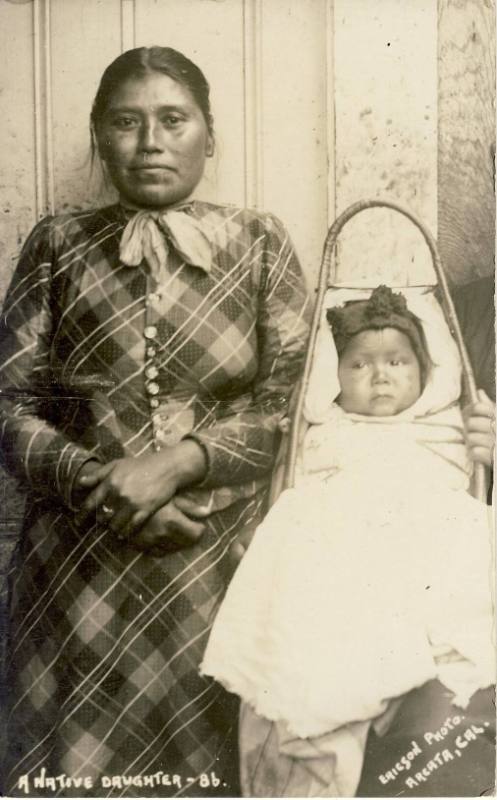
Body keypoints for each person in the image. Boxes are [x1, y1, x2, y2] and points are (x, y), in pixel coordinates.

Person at [0, 46, 310, 797]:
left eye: (173, 120)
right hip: (76, 563)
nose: (150, 142)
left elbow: (291, 408)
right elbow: (8, 403)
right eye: (125, 122)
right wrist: (100, 481)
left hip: (216, 557)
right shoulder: (57, 243)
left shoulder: (259, 243)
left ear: (210, 134)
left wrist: (177, 466)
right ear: (98, 135)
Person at [201, 285, 495, 797]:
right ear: (334, 378)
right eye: (359, 365)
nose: (381, 376)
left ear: (424, 372)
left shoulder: (439, 429)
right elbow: (296, 494)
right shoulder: (328, 431)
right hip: (340, 565)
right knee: (308, 655)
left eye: (398, 362)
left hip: (422, 559)